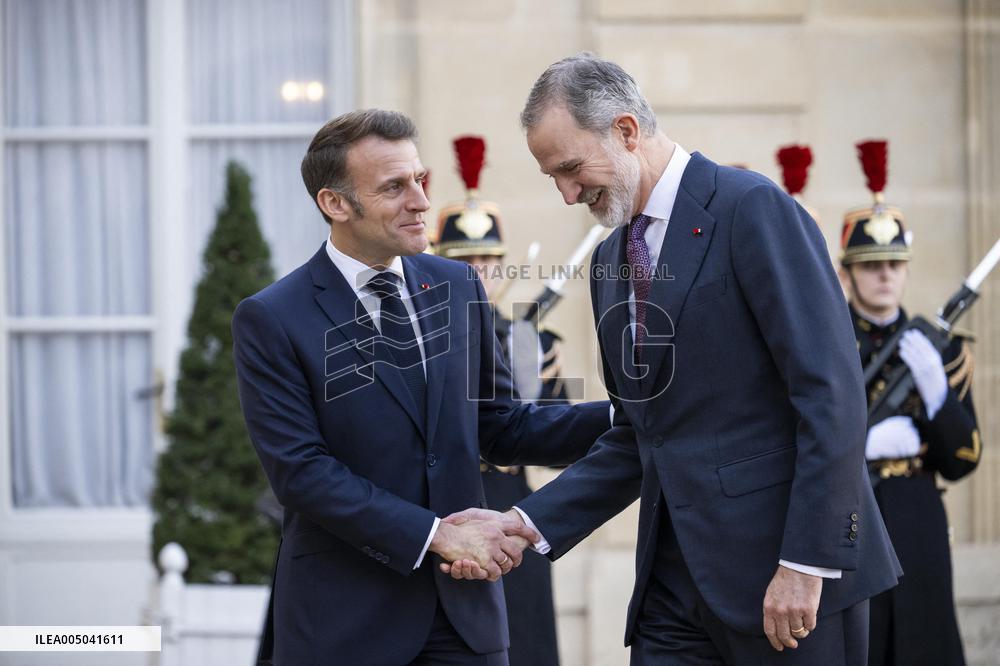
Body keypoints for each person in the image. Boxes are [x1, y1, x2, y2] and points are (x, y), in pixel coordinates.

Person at [449, 53, 902, 664]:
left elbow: (832, 396)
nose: (565, 194)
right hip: (671, 589)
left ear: (627, 131)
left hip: (788, 583)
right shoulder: (610, 260)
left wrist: (805, 563)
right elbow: (641, 434)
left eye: (571, 168)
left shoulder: (752, 209)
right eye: (550, 177)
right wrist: (527, 523)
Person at [231, 109, 610, 665]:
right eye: (394, 187)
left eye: (420, 180)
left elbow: (501, 426)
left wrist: (625, 415)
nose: (420, 202)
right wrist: (435, 535)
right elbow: (302, 472)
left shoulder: (457, 285)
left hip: (465, 619)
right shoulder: (272, 317)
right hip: (343, 625)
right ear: (334, 204)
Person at [838, 140, 980, 666]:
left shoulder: (939, 352)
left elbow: (965, 459)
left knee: (925, 644)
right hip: (854, 519)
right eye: (871, 265)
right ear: (847, 272)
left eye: (895, 264)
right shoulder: (828, 348)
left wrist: (938, 395)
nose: (885, 275)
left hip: (918, 518)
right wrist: (863, 444)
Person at [435, 134, 573, 665]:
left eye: (489, 260)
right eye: (465, 259)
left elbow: (558, 450)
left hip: (513, 515)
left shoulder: (532, 342)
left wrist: (540, 390)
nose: (480, 272)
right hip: (449, 513)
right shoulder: (420, 342)